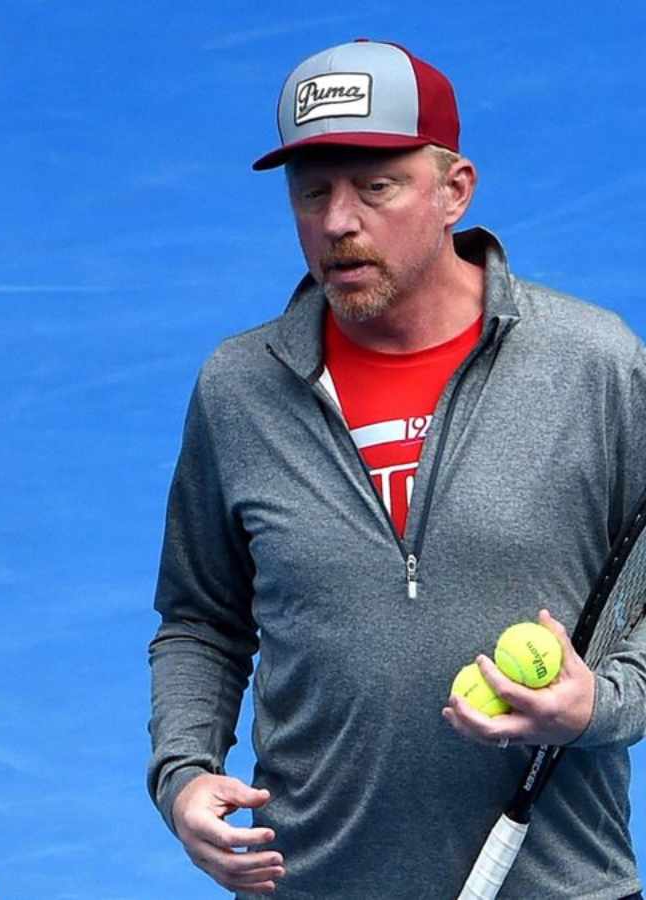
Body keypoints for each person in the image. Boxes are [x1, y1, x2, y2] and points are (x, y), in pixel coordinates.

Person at [147, 38, 646, 899]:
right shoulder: (239, 388)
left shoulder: (595, 366)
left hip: (559, 883)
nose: (339, 220)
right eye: (313, 191)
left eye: (376, 186)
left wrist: (598, 706)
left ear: (455, 190)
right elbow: (200, 620)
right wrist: (183, 773)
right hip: (312, 880)